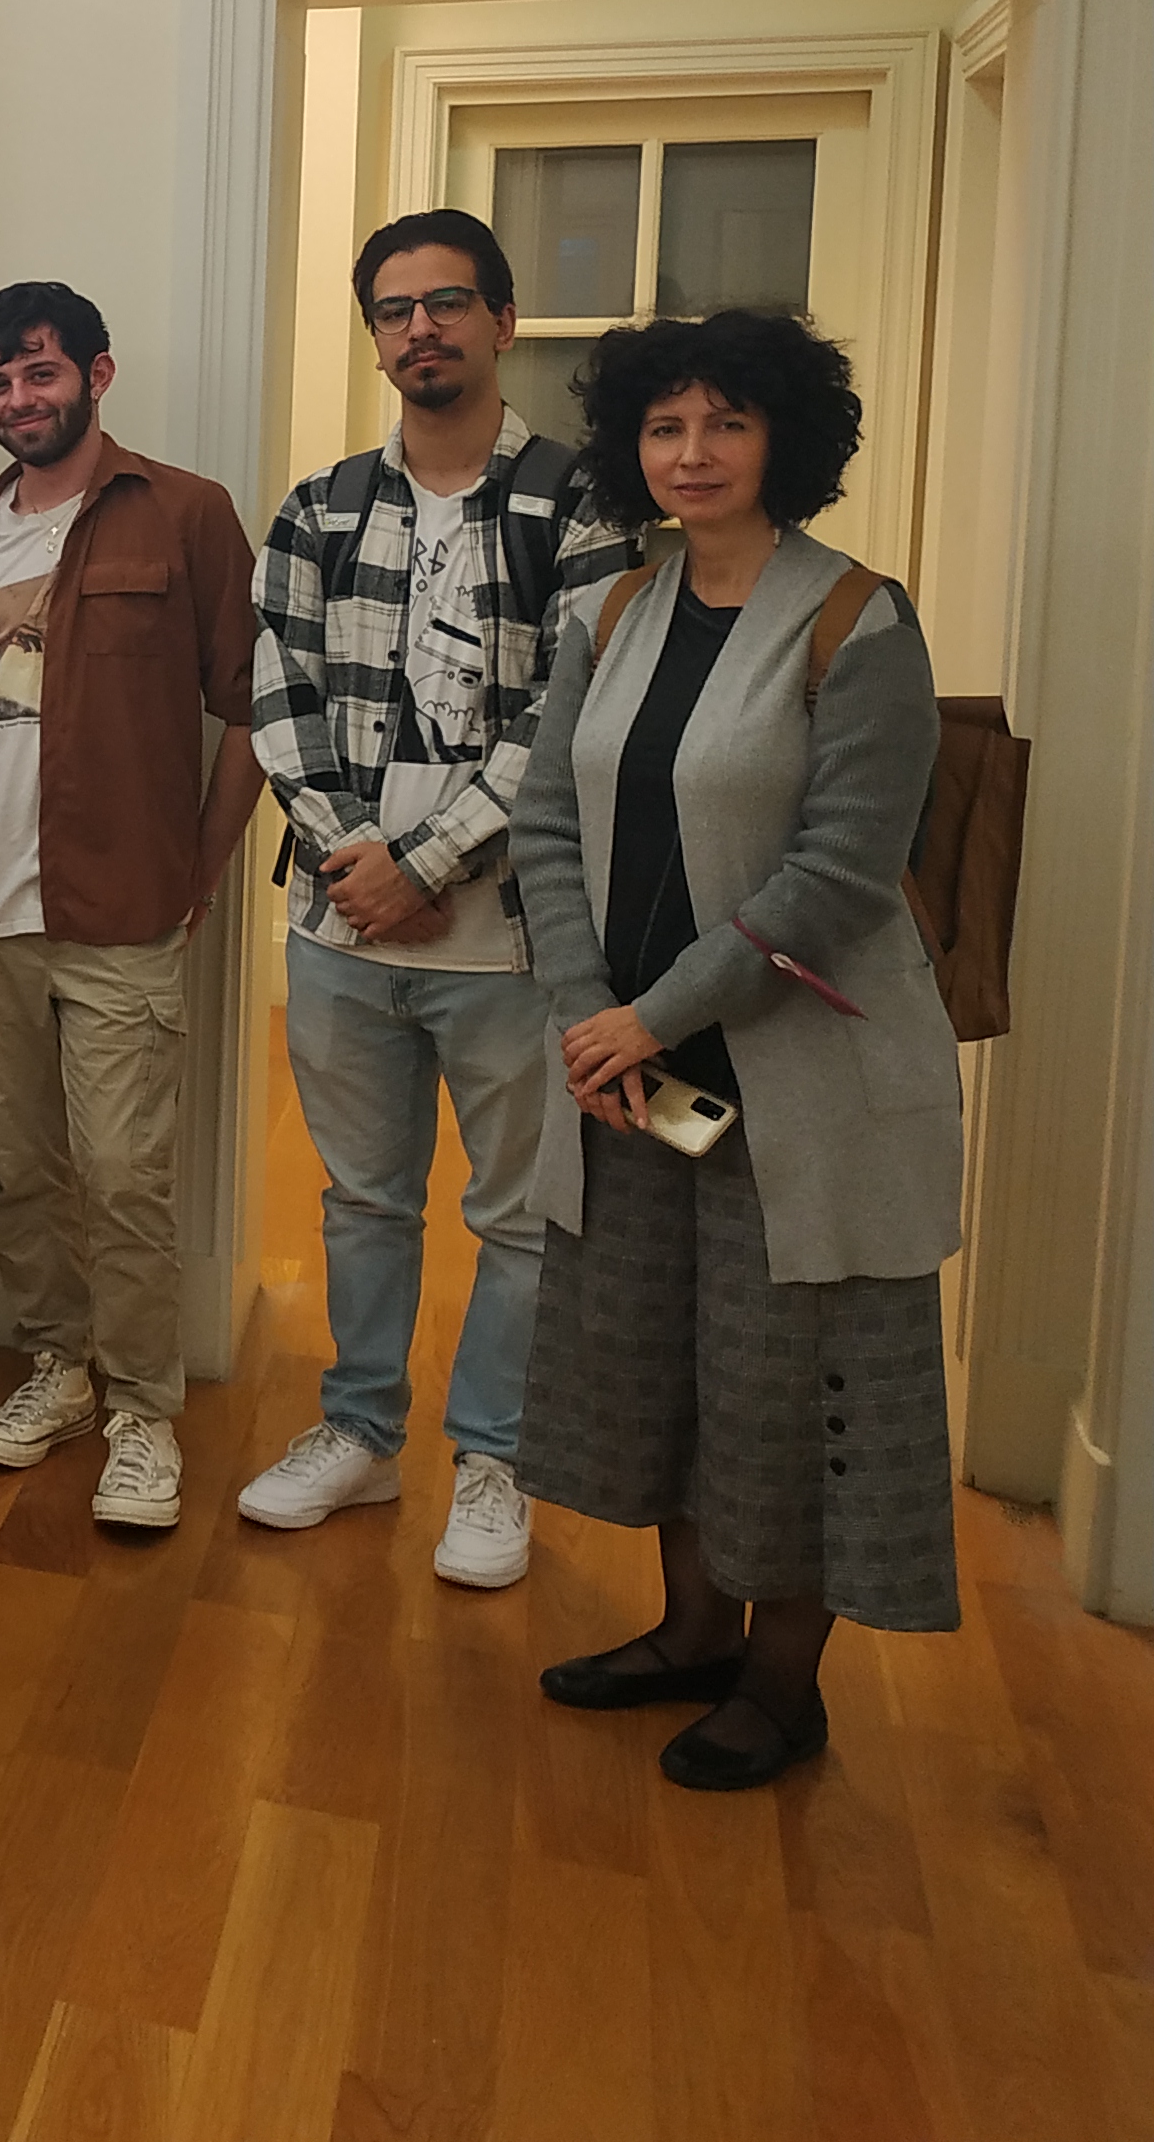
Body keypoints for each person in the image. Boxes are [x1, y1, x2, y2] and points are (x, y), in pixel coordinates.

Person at [509, 309, 958, 1790]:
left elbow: (837, 876)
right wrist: (594, 1014)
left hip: (792, 1083)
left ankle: (783, 1683)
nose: (691, 454)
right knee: (654, 1364)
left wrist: (658, 1012)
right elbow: (544, 824)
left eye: (726, 424)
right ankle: (690, 1631)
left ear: (787, 443)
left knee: (788, 1384)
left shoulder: (858, 620)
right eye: (664, 428)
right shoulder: (616, 612)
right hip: (630, 1074)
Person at [240, 210, 635, 1589]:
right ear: (377, 338)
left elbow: (570, 710)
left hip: (514, 934)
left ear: (503, 322)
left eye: (449, 303)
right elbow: (275, 692)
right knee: (361, 1199)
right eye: (397, 309)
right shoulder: (319, 506)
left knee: (520, 1216)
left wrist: (431, 862)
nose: (423, 329)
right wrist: (355, 851)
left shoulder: (585, 504)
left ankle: (495, 1459)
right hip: (342, 925)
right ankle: (356, 1433)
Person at [0, 281, 261, 1532]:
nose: (16, 401)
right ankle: (56, 1368)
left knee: (123, 1172)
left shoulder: (186, 515)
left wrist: (201, 870)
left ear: (95, 374)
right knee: (20, 1168)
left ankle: (143, 1409)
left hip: (121, 911)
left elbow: (250, 709)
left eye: (38, 374)